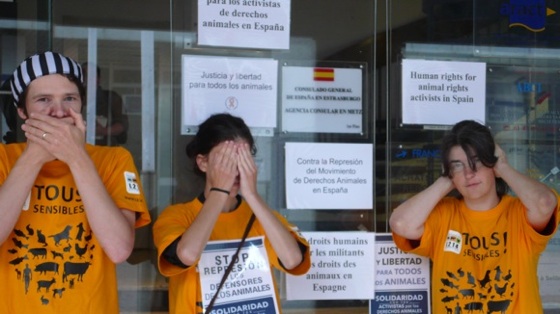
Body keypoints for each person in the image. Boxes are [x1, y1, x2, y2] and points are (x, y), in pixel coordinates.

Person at [0, 51, 151, 313]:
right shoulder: (4, 159)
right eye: (43, 99)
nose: (58, 111)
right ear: (22, 111)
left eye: (69, 98)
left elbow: (119, 250)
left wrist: (77, 157)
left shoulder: (114, 159)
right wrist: (33, 158)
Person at [389, 120, 559, 313]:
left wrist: (502, 167)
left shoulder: (519, 214)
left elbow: (544, 203)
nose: (469, 173)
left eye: (476, 161)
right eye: (458, 165)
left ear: (491, 163)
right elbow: (401, 223)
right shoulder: (444, 214)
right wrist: (448, 179)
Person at [153, 113, 311, 314]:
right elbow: (187, 254)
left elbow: (292, 260)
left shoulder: (261, 217)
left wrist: (252, 195)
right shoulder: (177, 215)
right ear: (203, 163)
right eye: (226, 160)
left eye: (242, 160)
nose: (234, 170)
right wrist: (220, 190)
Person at [82, 62, 128, 146]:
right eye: (84, 75)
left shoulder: (111, 98)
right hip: (79, 150)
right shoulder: (73, 98)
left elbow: (122, 125)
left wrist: (104, 131)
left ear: (98, 79)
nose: (87, 79)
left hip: (106, 150)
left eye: (91, 75)